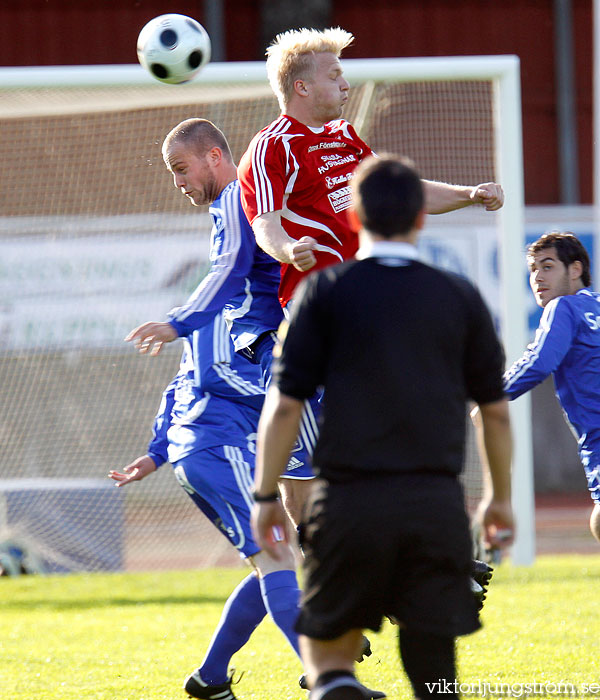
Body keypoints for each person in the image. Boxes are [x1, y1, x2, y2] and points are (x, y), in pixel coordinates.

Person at [251, 154, 514, 700]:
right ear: (421, 217)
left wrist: (264, 495)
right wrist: (499, 499)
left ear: (352, 219)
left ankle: (338, 685)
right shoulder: (458, 297)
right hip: (435, 507)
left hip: (347, 504)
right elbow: (494, 410)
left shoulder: (323, 293)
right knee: (435, 673)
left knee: (328, 662)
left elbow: (284, 406)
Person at [124, 118, 319, 528]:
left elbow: (229, 269)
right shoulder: (244, 201)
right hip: (283, 356)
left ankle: (430, 564)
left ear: (214, 156)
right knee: (297, 487)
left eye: (181, 168)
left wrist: (177, 323)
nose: (177, 182)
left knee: (324, 485)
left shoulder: (235, 197)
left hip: (291, 354)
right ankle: (330, 583)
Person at [237, 26, 504, 310]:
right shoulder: (272, 146)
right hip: (321, 297)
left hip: (369, 287)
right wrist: (289, 249)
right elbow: (265, 226)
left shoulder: (344, 134)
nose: (345, 84)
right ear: (301, 87)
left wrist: (471, 194)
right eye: (334, 76)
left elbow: (405, 194)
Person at [110, 313, 303, 700]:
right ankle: (328, 674)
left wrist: (155, 453)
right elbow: (213, 376)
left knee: (279, 557)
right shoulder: (222, 307)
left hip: (217, 450)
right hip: (218, 448)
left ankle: (211, 677)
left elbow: (180, 384)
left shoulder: (245, 306)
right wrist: (289, 390)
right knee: (278, 557)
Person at [504, 231, 600, 549]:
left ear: (575, 270)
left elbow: (539, 361)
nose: (537, 277)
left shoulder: (564, 307)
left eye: (547, 266)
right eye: (532, 269)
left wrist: (489, 393)